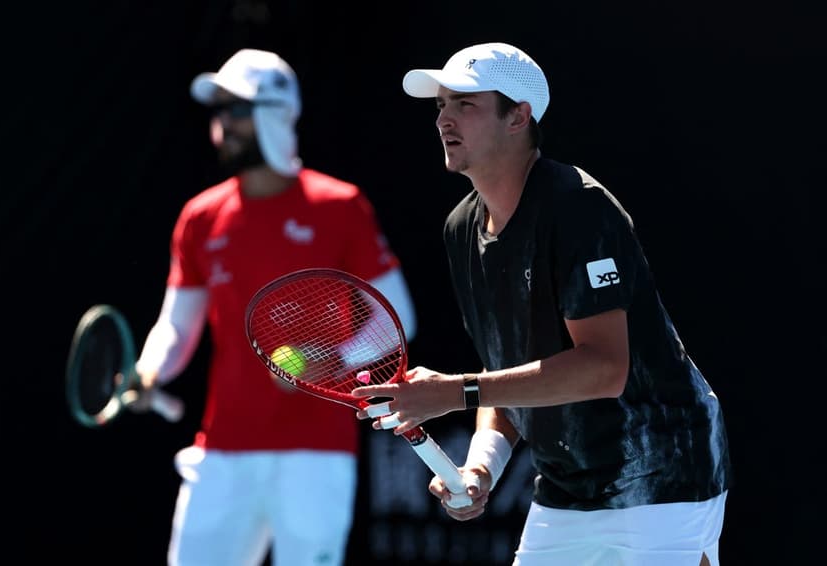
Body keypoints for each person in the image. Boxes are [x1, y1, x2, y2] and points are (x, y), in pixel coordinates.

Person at [352, 42, 732, 566]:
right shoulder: (461, 228)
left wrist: (456, 393)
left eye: (465, 104)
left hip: (664, 476)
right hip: (565, 489)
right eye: (441, 105)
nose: (444, 118)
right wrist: (481, 466)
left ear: (518, 117)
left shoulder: (580, 209)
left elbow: (602, 368)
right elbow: (507, 367)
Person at [130, 48, 418, 566]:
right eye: (218, 111)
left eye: (235, 109)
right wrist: (151, 370)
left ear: (276, 114)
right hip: (221, 450)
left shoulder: (340, 206)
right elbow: (176, 325)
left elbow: (397, 321)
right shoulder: (199, 217)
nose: (223, 125)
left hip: (317, 454)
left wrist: (321, 364)